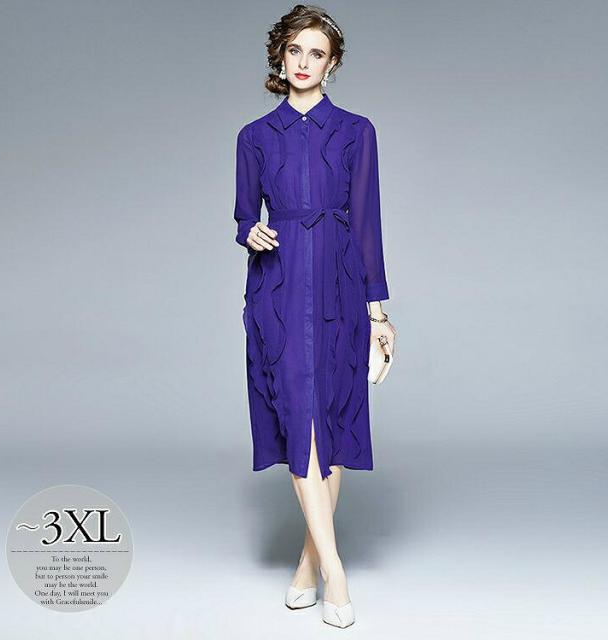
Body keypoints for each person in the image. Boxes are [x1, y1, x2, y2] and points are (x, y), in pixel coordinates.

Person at [232, 5, 395, 629]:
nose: (304, 63)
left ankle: (307, 563)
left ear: (332, 65)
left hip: (340, 284)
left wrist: (378, 311)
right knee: (298, 415)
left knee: (329, 420)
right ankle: (336, 571)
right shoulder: (254, 136)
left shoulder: (357, 131)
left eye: (316, 54)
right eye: (295, 50)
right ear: (280, 55)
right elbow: (243, 214)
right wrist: (250, 233)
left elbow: (368, 223)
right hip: (277, 288)